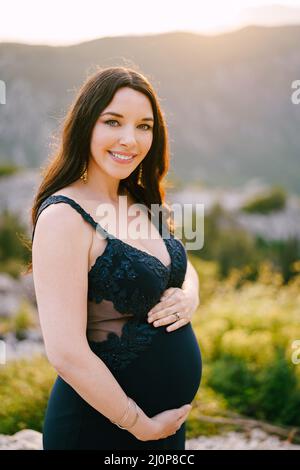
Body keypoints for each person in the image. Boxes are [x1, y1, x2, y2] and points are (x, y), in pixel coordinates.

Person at [29, 66, 202, 450]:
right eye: (113, 122)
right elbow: (66, 353)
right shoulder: (64, 217)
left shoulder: (141, 200)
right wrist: (137, 424)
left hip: (165, 429)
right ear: (86, 125)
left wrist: (190, 295)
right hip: (102, 430)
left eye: (144, 126)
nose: (130, 139)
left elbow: (181, 266)